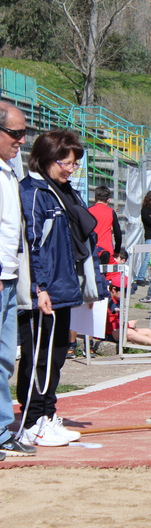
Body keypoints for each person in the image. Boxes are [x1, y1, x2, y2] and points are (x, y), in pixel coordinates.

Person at [18, 129, 107, 447]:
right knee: (38, 357)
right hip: (45, 290)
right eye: (65, 163)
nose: (70, 169)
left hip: (67, 287)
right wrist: (39, 288)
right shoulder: (33, 192)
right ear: (45, 159)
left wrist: (92, 287)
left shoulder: (68, 192)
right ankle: (32, 421)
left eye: (74, 164)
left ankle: (48, 414)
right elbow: (32, 245)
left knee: (56, 357)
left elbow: (82, 242)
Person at [0, 102, 37, 459]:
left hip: (10, 277)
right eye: (15, 134)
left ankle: (1, 431)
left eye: (24, 132)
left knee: (5, 358)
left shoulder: (10, 170)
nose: (21, 140)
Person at [88, 185, 122, 266]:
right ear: (108, 199)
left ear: (95, 197)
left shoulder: (88, 211)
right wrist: (117, 251)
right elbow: (118, 234)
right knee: (106, 276)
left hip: (92, 248)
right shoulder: (111, 212)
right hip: (107, 250)